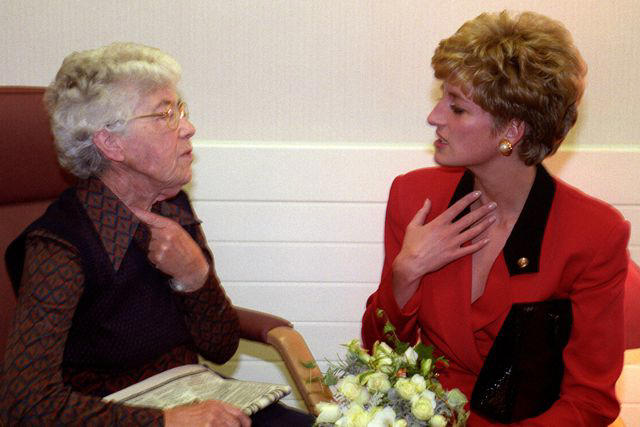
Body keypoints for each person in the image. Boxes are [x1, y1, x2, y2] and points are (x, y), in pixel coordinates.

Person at [0, 42, 314, 426]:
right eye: (165, 114)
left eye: (180, 109)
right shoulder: (59, 247)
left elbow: (220, 346)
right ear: (111, 143)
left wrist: (195, 276)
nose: (188, 127)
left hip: (199, 398)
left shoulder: (171, 206)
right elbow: (25, 404)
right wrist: (166, 421)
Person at [361, 11, 630, 426]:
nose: (434, 117)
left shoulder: (594, 234)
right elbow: (381, 353)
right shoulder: (415, 197)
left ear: (513, 130)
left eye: (458, 108)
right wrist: (405, 273)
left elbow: (589, 402)